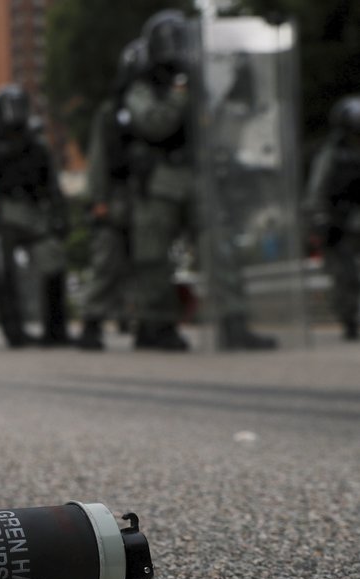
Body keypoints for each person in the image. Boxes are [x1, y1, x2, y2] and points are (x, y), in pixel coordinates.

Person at [125, 10, 275, 350]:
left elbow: (220, 124)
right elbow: (154, 124)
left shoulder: (199, 82)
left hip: (199, 174)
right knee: (152, 256)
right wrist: (179, 93)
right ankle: (156, 325)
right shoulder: (143, 87)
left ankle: (234, 322)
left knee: (218, 245)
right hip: (159, 179)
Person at [0, 85, 70, 348]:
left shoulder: (38, 145)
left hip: (36, 215)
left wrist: (60, 216)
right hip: (5, 215)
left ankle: (55, 330)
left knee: (53, 261)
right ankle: (14, 332)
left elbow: (53, 186)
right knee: (5, 272)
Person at [77, 39, 147, 351]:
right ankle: (91, 323)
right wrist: (98, 201)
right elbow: (98, 160)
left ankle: (148, 321)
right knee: (106, 263)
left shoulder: (155, 105)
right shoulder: (112, 112)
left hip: (145, 196)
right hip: (115, 198)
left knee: (146, 264)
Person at [303, 95, 360, 341]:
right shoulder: (331, 155)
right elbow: (316, 191)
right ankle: (349, 321)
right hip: (341, 223)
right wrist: (320, 220)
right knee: (344, 276)